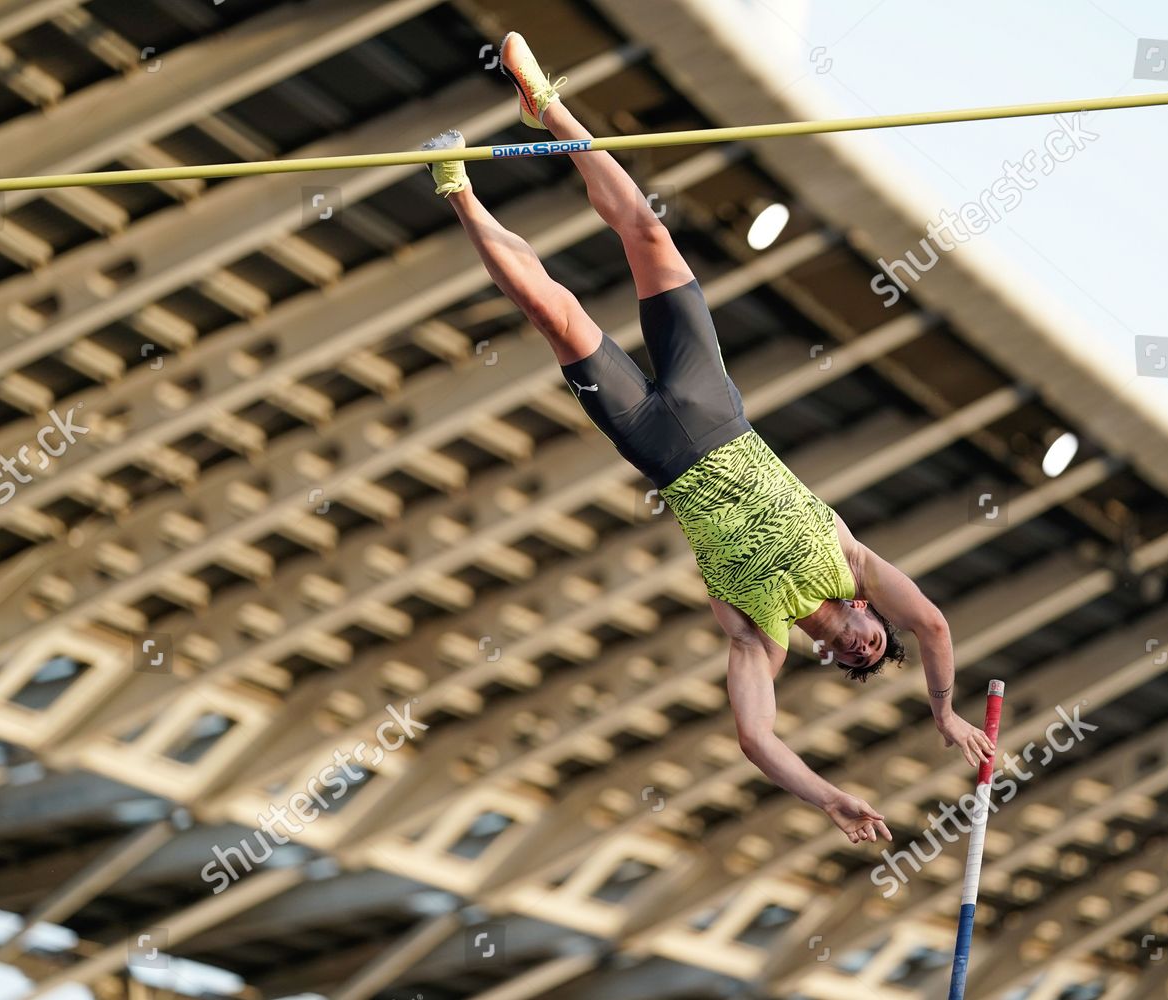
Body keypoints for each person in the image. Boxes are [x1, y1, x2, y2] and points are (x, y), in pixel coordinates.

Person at [422, 32, 995, 844]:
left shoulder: (759, 635)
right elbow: (932, 625)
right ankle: (546, 103)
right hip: (715, 405)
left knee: (554, 313)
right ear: (870, 612)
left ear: (832, 658)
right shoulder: (850, 559)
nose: (866, 647)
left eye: (858, 661)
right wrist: (943, 711)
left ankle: (457, 187)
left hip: (657, 445)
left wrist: (825, 795)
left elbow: (756, 739)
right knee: (649, 238)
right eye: (875, 642)